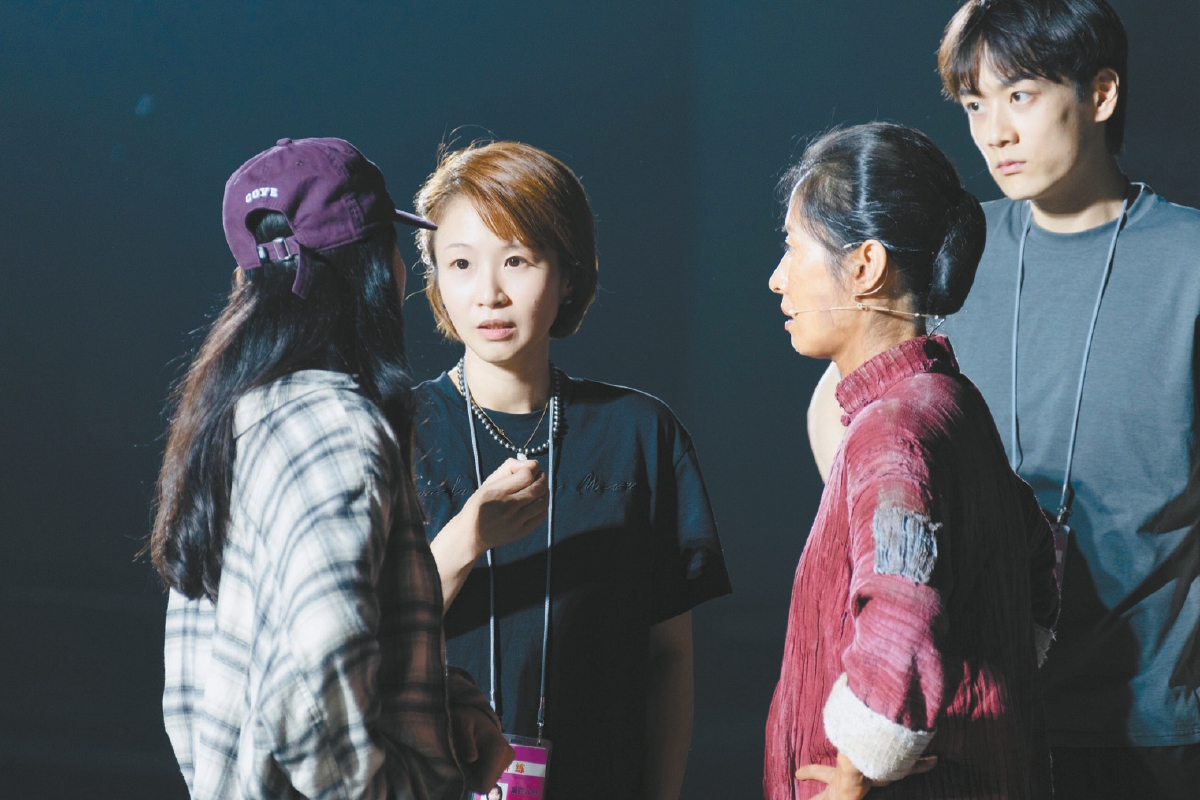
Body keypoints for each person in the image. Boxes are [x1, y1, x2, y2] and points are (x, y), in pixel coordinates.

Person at [808, 2, 1200, 797]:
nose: (994, 133)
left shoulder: (1189, 260)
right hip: (970, 723)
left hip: (1150, 727)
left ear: (1100, 94)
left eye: (1019, 96)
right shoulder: (952, 250)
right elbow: (840, 404)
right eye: (975, 104)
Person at [149, 137, 512, 799]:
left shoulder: (237, 417)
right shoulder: (335, 427)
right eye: (394, 249)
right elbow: (318, 670)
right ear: (371, 269)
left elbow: (199, 688)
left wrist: (443, 702)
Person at [408, 140, 732, 799]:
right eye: (461, 263)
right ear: (436, 278)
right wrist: (468, 537)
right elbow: (361, 639)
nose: (489, 294)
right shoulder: (396, 433)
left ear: (568, 273)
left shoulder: (640, 433)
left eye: (517, 260)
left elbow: (668, 659)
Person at [764, 122, 1060, 800]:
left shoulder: (892, 428)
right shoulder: (950, 400)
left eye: (792, 247)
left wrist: (858, 768)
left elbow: (903, 608)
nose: (777, 278)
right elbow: (1037, 557)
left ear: (865, 266)